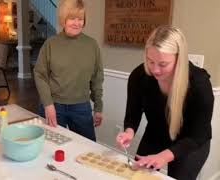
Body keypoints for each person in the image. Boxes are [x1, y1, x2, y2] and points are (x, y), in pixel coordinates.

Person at [116, 25, 214, 180]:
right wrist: (129, 132)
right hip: (156, 133)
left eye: (163, 64)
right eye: (150, 61)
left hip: (190, 141)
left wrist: (164, 156)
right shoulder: (139, 76)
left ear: (179, 59)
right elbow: (133, 114)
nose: (155, 70)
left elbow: (198, 135)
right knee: (137, 175)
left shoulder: (199, 84)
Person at [34, 0, 104, 141]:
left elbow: (97, 78)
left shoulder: (92, 45)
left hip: (81, 107)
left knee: (87, 147)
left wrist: (98, 107)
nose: (77, 23)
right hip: (54, 105)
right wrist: (48, 104)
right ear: (63, 19)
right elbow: (40, 75)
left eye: (80, 19)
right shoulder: (51, 44)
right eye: (72, 18)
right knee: (51, 148)